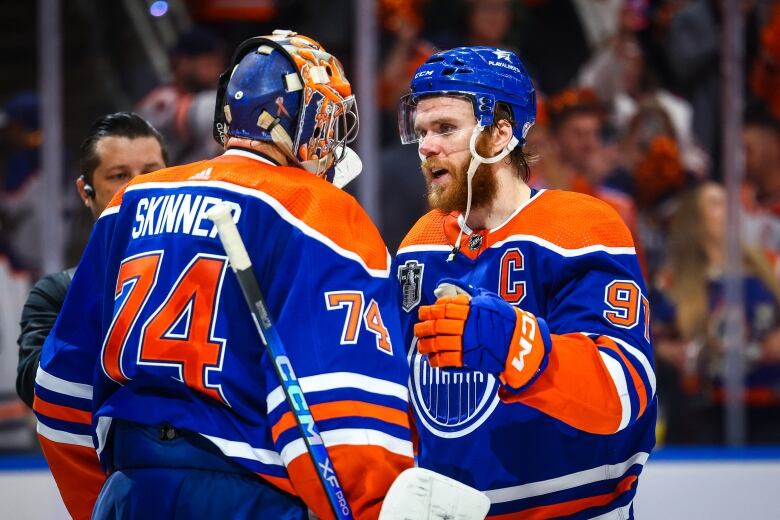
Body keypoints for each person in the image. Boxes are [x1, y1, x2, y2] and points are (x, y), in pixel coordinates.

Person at [33, 31, 413, 520]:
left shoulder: (131, 200)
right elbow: (341, 410)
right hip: (247, 495)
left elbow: (61, 390)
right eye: (328, 118)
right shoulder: (319, 210)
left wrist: (103, 501)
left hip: (129, 488)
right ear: (304, 119)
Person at [394, 46, 656, 517]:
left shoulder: (578, 227)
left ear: (500, 132)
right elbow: (403, 394)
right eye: (421, 132)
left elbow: (624, 391)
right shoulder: (420, 244)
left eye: (446, 128)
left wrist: (513, 341)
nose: (427, 146)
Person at [16, 112, 168, 408]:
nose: (139, 187)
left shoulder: (210, 274)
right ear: (85, 192)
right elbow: (32, 386)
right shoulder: (57, 294)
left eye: (152, 172)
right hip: (97, 452)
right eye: (119, 176)